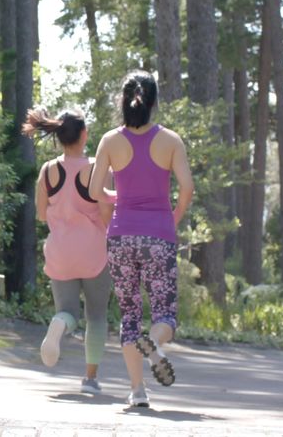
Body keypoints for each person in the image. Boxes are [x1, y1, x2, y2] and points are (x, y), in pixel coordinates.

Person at [88, 72, 193, 408]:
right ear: (153, 102)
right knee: (165, 313)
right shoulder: (171, 141)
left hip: (120, 236)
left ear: (124, 100)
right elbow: (187, 189)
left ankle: (137, 391)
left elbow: (94, 192)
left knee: (129, 312)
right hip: (159, 234)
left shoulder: (109, 141)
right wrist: (171, 218)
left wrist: (121, 197)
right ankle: (155, 344)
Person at [23, 107, 114, 395]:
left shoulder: (47, 170)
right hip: (94, 254)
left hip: (60, 253)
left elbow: (40, 214)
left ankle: (58, 325)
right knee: (96, 316)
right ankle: (90, 379)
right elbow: (107, 216)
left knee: (67, 312)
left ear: (59, 136)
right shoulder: (100, 170)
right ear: (85, 135)